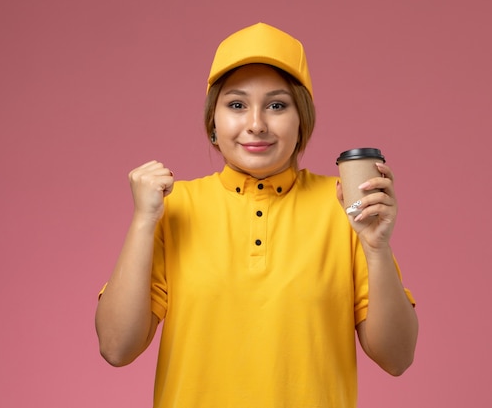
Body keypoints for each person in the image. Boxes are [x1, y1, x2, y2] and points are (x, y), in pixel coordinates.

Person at [95, 22, 418, 408]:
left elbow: (396, 359)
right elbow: (116, 347)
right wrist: (143, 221)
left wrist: (376, 247)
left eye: (277, 105)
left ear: (303, 121)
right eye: (236, 105)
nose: (256, 124)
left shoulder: (344, 207)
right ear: (212, 123)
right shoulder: (174, 206)